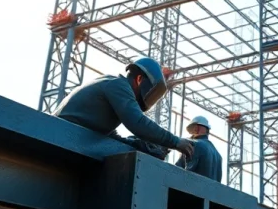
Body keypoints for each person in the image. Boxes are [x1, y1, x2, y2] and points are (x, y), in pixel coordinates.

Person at [54, 57, 194, 160]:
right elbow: (137, 122)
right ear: (139, 79)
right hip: (59, 137)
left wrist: (138, 145)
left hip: (66, 136)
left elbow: (110, 136)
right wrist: (175, 142)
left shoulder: (112, 85)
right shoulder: (118, 86)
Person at [176, 115, 222, 182]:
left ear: (196, 129)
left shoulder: (193, 144)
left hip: (191, 190)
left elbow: (179, 172)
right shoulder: (218, 156)